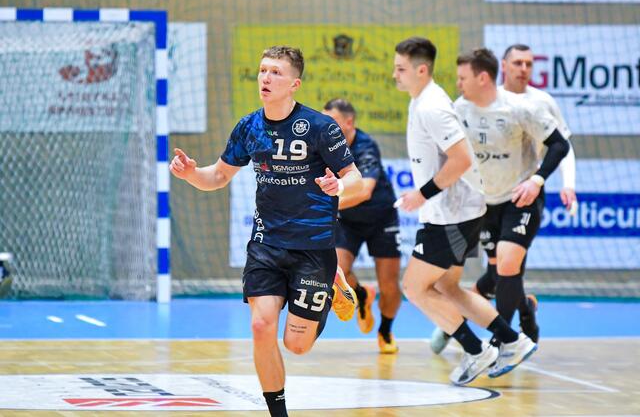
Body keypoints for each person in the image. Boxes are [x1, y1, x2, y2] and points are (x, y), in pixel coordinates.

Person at [169, 46, 362, 417]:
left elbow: (354, 177)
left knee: (297, 346)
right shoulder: (249, 127)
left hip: (313, 248)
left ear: (294, 84)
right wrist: (192, 173)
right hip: (266, 245)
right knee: (261, 326)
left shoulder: (320, 127)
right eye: (262, 71)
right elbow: (219, 176)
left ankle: (332, 284)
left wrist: (339, 186)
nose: (266, 78)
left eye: (276, 72)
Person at [393, 36, 537, 385]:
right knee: (447, 287)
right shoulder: (422, 100)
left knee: (414, 288)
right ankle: (512, 340)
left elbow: (461, 159)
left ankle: (475, 349)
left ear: (421, 70)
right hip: (459, 211)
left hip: (451, 214)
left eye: (400, 69)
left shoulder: (432, 107)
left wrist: (422, 195)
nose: (395, 75)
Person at [430, 44, 578, 354]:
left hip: (520, 197)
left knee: (508, 264)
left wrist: (538, 180)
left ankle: (504, 341)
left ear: (482, 78)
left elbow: (561, 145)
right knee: (498, 272)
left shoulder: (525, 107)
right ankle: (525, 310)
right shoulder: (459, 109)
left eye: (462, 77)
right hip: (483, 202)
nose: (458, 83)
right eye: (517, 62)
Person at [322, 98, 402, 354]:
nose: (326, 126)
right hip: (348, 221)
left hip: (381, 218)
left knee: (389, 284)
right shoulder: (323, 146)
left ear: (349, 122)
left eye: (332, 121)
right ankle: (361, 294)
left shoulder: (366, 146)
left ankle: (385, 330)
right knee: (336, 270)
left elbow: (364, 191)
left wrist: (325, 207)